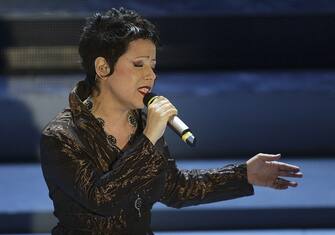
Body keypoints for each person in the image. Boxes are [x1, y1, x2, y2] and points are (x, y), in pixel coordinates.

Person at [40, 7, 303, 235]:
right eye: (139, 64)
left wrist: (243, 174)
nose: (150, 75)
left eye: (153, 65)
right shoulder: (62, 136)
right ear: (102, 67)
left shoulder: (143, 125)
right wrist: (148, 139)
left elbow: (175, 188)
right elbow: (101, 199)